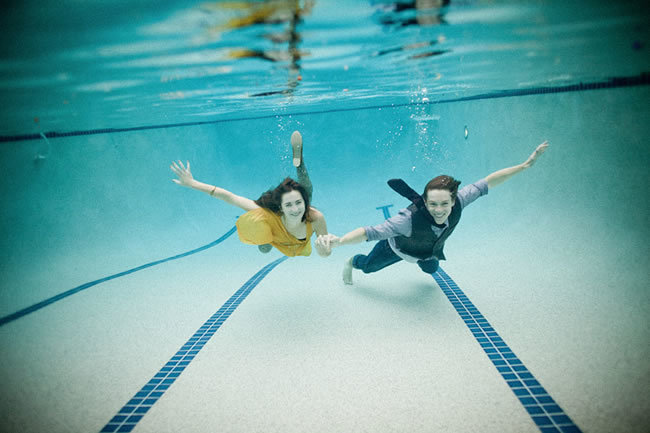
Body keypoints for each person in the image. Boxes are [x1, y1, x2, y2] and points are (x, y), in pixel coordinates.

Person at [317, 141, 549, 284]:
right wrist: (339, 242)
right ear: (425, 201)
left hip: (426, 252)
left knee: (431, 268)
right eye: (432, 205)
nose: (439, 211)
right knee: (368, 268)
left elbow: (489, 181)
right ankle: (353, 262)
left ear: (452, 200)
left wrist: (525, 165)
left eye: (444, 205)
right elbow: (369, 232)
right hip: (396, 248)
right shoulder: (406, 220)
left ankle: (426, 261)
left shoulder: (461, 199)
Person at [171, 131, 332, 258]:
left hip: (300, 245)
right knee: (264, 245)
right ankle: (266, 240)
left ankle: (300, 164)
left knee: (303, 193)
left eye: (298, 204)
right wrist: (193, 183)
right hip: (275, 238)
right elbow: (230, 197)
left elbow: (325, 253)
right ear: (280, 208)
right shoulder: (269, 214)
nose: (295, 209)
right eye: (288, 205)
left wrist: (324, 249)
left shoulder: (316, 218)